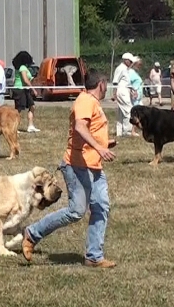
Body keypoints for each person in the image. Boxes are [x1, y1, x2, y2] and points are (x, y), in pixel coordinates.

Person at [21, 69, 117, 268]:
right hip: (77, 166)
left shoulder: (92, 103)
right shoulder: (85, 101)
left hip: (94, 165)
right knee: (76, 211)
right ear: (101, 84)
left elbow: (88, 131)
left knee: (101, 207)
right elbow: (80, 128)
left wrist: (103, 142)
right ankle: (32, 233)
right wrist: (99, 147)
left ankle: (94, 256)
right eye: (106, 84)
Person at [11, 50, 40, 133]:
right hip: (20, 90)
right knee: (18, 109)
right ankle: (14, 127)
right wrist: (33, 89)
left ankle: (30, 126)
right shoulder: (22, 68)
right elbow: (25, 80)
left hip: (25, 90)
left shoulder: (23, 67)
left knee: (32, 106)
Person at [111, 52, 135, 137]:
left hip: (125, 90)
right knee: (128, 111)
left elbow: (126, 82)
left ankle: (119, 132)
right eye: (130, 61)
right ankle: (127, 131)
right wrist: (114, 93)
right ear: (125, 60)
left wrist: (131, 90)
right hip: (122, 91)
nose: (131, 63)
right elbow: (115, 81)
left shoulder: (125, 69)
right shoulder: (120, 68)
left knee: (121, 112)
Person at [129, 57, 144, 137]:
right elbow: (129, 83)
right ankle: (133, 130)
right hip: (135, 96)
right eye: (138, 65)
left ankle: (140, 128)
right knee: (136, 113)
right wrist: (133, 91)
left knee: (140, 113)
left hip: (138, 96)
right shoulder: (130, 72)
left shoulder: (135, 73)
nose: (140, 66)